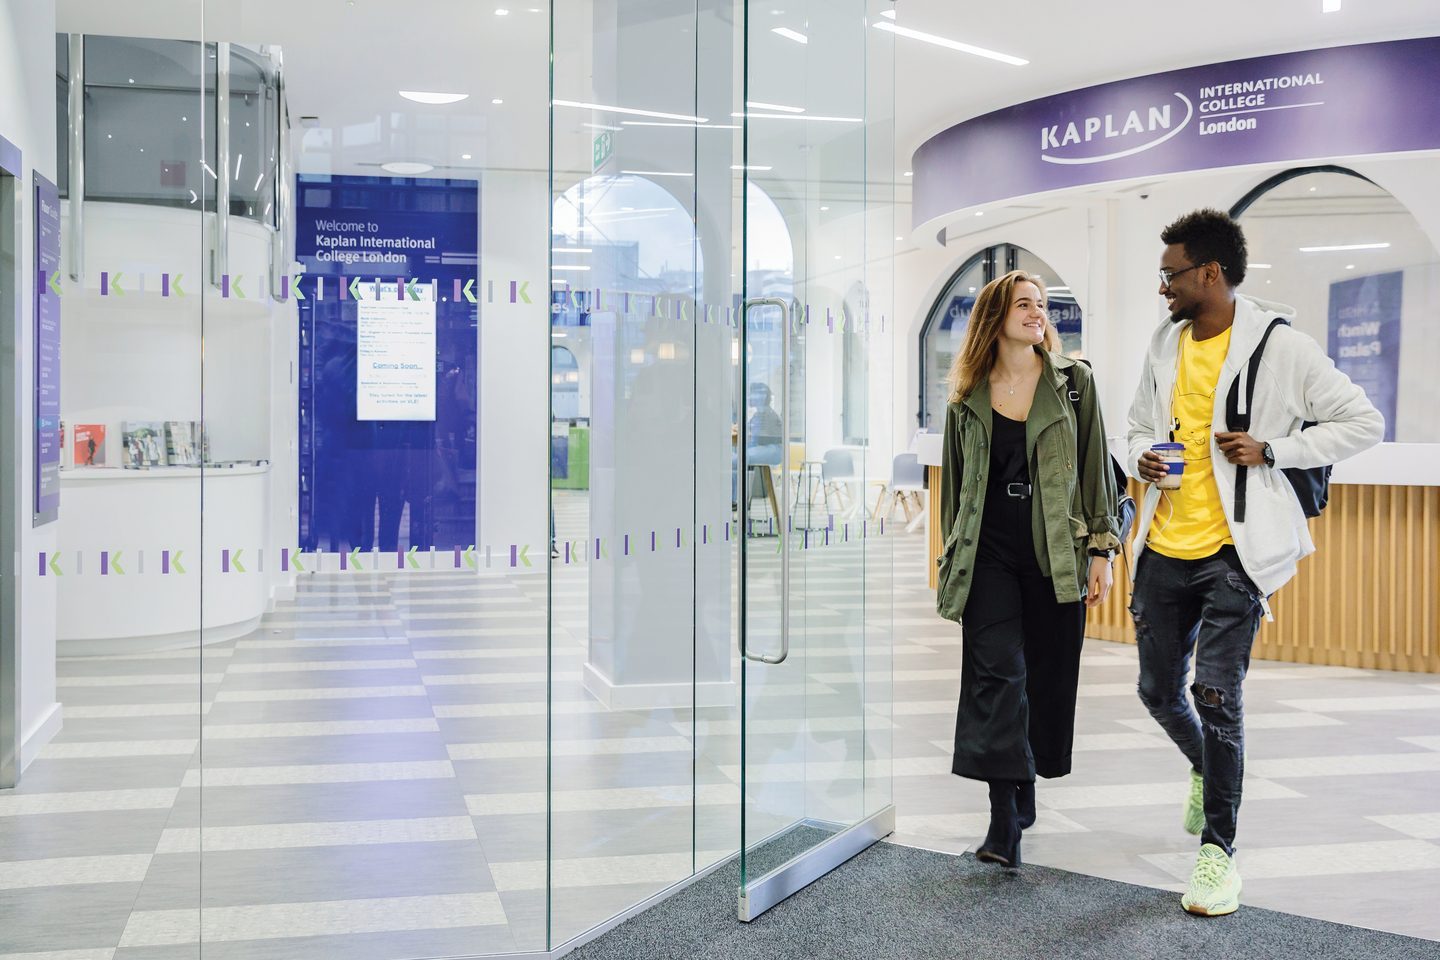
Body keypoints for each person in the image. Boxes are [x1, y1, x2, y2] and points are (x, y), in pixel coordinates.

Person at [1126, 209, 1384, 917]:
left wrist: (1273, 449)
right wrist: (1141, 457)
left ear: (1210, 273)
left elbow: (1364, 421)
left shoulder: (1282, 346)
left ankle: (1218, 856)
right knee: (1156, 692)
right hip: (1164, 547)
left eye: (1170, 274)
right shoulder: (1164, 343)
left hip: (1236, 556)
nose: (1163, 288)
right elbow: (1136, 427)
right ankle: (1207, 771)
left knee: (1217, 698)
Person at [936, 269, 1120, 869]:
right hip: (988, 548)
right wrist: (950, 558)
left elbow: (1095, 470)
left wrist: (1101, 551)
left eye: (1042, 304)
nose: (1037, 312)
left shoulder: (1073, 384)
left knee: (1043, 674)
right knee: (996, 677)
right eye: (1024, 303)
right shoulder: (966, 393)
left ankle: (1024, 785)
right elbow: (956, 487)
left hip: (1053, 546)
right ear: (996, 314)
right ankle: (1002, 821)